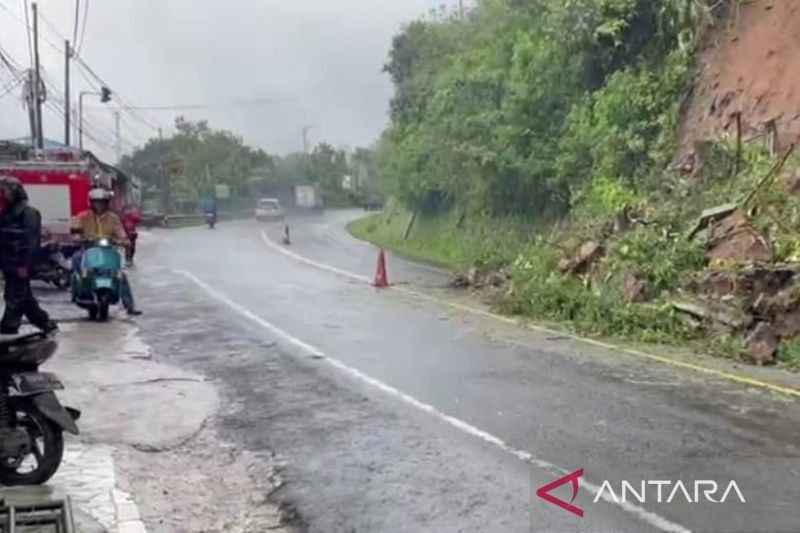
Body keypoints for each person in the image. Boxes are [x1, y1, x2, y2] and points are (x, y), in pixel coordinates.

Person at [0, 176, 57, 334]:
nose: (2, 196)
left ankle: (7, 330)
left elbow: (31, 242)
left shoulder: (29, 213)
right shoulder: (5, 214)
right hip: (8, 264)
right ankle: (46, 324)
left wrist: (25, 265)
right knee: (23, 298)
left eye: (3, 192)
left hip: (20, 265)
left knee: (15, 298)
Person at [71, 189, 142, 315]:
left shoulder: (113, 218)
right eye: (96, 202)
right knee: (76, 260)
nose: (99, 205)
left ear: (107, 203)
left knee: (120, 275)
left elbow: (120, 233)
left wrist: (125, 241)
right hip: (88, 249)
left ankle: (129, 306)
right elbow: (75, 232)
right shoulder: (83, 216)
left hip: (108, 251)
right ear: (91, 203)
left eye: (102, 202)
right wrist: (78, 238)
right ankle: (77, 292)